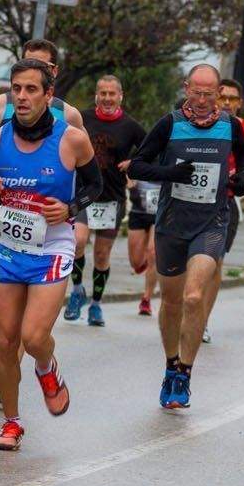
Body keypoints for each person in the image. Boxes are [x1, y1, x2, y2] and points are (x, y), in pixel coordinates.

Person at [0, 58, 99, 451]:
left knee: (34, 335)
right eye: (16, 89)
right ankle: (12, 422)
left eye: (31, 90)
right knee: (5, 341)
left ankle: (46, 367)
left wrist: (70, 209)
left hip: (53, 246)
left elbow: (96, 185)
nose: (21, 97)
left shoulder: (72, 139)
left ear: (48, 95)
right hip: (7, 248)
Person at [127, 64, 244, 410]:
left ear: (218, 95)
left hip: (211, 223)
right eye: (195, 92)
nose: (201, 99)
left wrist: (240, 177)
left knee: (194, 297)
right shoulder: (169, 124)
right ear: (186, 89)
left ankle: (184, 372)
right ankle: (170, 364)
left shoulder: (232, 126)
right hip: (171, 224)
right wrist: (170, 173)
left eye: (208, 94)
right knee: (171, 302)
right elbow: (138, 166)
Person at [75, 75, 147, 327]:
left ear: (120, 97)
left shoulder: (131, 127)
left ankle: (95, 304)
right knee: (78, 241)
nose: (107, 98)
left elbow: (153, 152)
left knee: (102, 255)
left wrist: (134, 163)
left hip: (111, 199)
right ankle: (76, 290)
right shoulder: (81, 119)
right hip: (83, 194)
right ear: (96, 95)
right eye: (102, 93)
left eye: (111, 94)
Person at [201, 77, 244, 343]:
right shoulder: (199, 124)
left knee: (215, 263)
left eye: (232, 99)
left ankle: (201, 320)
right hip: (195, 200)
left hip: (226, 202)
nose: (227, 103)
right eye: (222, 97)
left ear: (240, 103)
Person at [127, 175, 161, 316]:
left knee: (153, 252)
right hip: (138, 210)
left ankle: (146, 298)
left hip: (159, 211)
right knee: (136, 263)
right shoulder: (138, 153)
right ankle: (148, 261)